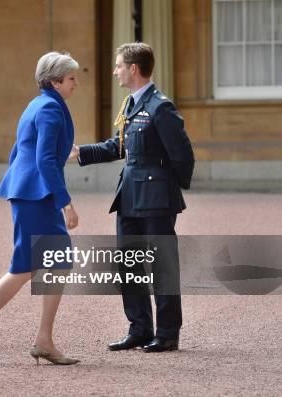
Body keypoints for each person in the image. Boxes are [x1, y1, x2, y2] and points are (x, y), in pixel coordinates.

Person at [0, 52, 80, 365]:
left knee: (54, 261)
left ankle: (43, 339)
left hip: (30, 193)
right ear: (54, 81)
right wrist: (66, 202)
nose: (75, 84)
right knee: (26, 266)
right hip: (35, 195)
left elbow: (20, 151)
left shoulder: (36, 104)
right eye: (71, 79)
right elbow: (43, 160)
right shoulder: (51, 108)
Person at [75, 42, 194, 352]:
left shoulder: (160, 106)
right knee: (128, 264)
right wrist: (80, 153)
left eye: (118, 66)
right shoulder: (130, 104)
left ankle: (167, 333)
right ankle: (139, 328)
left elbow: (183, 155)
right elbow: (119, 147)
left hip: (156, 198)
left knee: (162, 265)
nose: (115, 71)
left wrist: (169, 188)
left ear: (133, 69)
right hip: (128, 195)